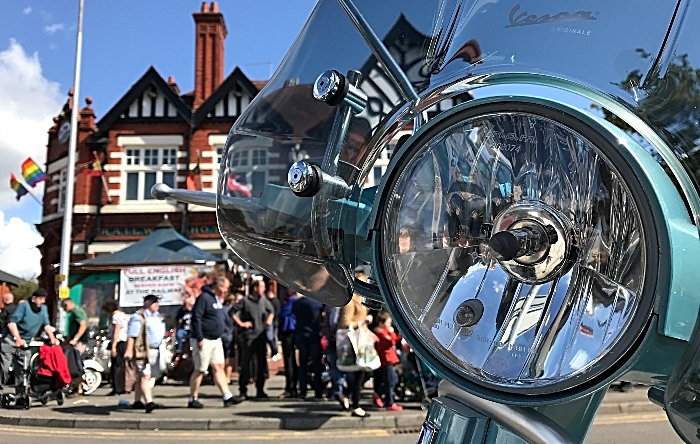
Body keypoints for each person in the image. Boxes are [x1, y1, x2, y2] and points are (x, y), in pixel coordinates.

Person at [188, 276, 242, 408]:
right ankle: (192, 398)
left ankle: (227, 396)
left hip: (216, 339)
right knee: (200, 369)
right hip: (204, 339)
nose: (226, 289)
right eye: (225, 287)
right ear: (218, 286)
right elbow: (197, 317)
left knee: (218, 367)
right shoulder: (204, 298)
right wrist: (200, 337)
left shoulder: (216, 299)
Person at [0, 288, 59, 406]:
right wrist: (17, 338)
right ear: (34, 299)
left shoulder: (43, 309)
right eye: (41, 299)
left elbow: (46, 325)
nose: (42, 301)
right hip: (11, 341)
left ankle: (21, 396)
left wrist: (52, 338)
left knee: (23, 370)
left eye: (44, 299)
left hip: (25, 344)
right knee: (4, 369)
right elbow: (12, 323)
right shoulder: (24, 306)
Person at [123, 294, 165, 413]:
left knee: (145, 376)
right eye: (153, 302)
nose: (157, 304)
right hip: (143, 350)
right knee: (145, 376)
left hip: (155, 350)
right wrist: (129, 350)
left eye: (157, 302)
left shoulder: (157, 317)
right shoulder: (139, 317)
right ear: (146, 303)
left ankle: (137, 401)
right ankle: (149, 402)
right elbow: (132, 335)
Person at [233, 279, 274, 399]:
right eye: (261, 287)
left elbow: (271, 310)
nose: (264, 289)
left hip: (260, 336)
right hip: (249, 337)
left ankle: (260, 390)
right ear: (255, 288)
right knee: (246, 364)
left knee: (261, 364)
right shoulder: (245, 301)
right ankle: (243, 390)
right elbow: (232, 312)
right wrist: (241, 323)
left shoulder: (263, 300)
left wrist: (269, 320)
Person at [338, 293, 371, 418]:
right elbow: (345, 323)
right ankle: (356, 405)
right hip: (353, 343)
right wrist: (362, 322)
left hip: (361, 342)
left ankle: (346, 394)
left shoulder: (360, 303)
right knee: (359, 372)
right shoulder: (350, 303)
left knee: (365, 371)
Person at [292, 293, 324, 400]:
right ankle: (318, 392)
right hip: (314, 336)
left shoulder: (298, 303)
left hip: (301, 335)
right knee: (317, 365)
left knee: (303, 365)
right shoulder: (318, 303)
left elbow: (294, 315)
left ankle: (302, 390)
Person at [373, 311, 402, 411]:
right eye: (388, 323)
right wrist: (391, 332)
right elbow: (390, 342)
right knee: (390, 381)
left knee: (393, 380)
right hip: (386, 360)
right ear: (381, 323)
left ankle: (378, 394)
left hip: (390, 359)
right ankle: (389, 402)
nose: (390, 325)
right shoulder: (380, 333)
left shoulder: (384, 332)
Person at [101, 299, 128, 396]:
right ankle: (123, 386)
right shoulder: (122, 315)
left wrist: (113, 346)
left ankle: (117, 387)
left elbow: (116, 332)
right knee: (121, 365)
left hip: (118, 342)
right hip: (124, 341)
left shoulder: (115, 317)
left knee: (115, 366)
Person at [277, 289, 298, 398]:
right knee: (292, 361)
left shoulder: (292, 300)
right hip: (293, 331)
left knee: (289, 361)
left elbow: (282, 313)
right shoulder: (296, 300)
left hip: (289, 331)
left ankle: (290, 388)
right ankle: (293, 387)